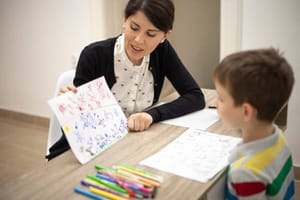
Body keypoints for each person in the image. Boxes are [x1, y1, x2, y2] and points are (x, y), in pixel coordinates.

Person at [46, 0, 205, 160]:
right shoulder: (93, 55)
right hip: (92, 151)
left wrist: (151, 115)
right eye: (134, 28)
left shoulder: (162, 52)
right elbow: (80, 128)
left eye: (151, 34)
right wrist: (71, 106)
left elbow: (195, 97)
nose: (138, 40)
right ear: (124, 21)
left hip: (135, 145)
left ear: (165, 35)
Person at [213, 48, 295, 199]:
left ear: (246, 112)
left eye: (221, 98)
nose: (215, 102)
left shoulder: (245, 173)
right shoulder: (278, 137)